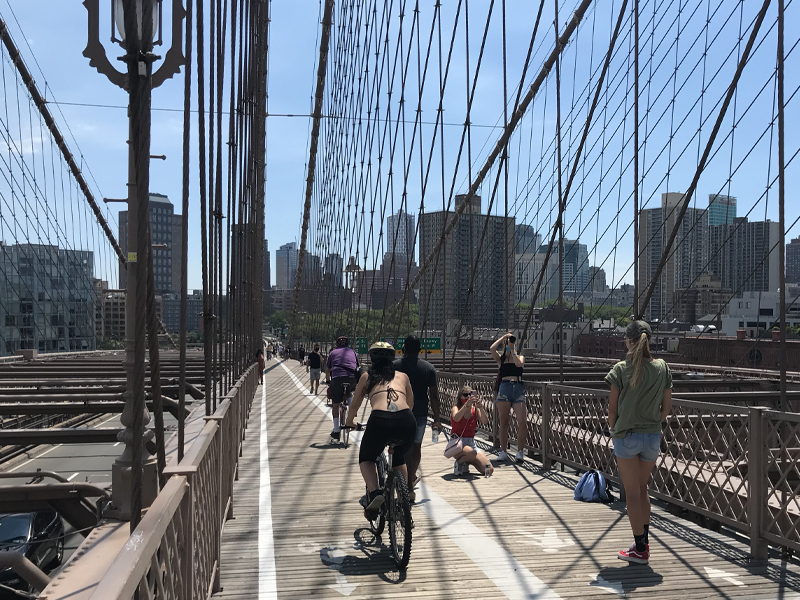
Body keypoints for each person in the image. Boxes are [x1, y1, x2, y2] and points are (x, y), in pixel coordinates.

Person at [606, 320, 672, 565]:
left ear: (629, 341)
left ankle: (640, 549)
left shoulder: (621, 369)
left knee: (632, 494)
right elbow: (666, 409)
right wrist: (653, 421)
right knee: (643, 490)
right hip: (653, 437)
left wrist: (614, 429)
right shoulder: (662, 367)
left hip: (627, 436)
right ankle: (641, 543)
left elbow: (612, 409)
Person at [346, 342, 416, 517]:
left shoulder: (367, 376)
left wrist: (349, 422)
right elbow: (411, 403)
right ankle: (403, 501)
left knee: (367, 458)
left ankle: (376, 493)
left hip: (380, 420)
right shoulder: (403, 376)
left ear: (372, 358)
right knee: (399, 458)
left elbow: (355, 405)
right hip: (406, 419)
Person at [394, 335, 441, 502]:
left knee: (403, 448)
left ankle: (406, 483)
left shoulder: (395, 366)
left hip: (400, 411)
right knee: (416, 447)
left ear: (404, 349)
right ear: (420, 350)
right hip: (421, 412)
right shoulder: (429, 368)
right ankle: (410, 481)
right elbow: (434, 396)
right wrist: (437, 419)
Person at [490, 332, 527, 462]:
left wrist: (513, 350)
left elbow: (518, 364)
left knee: (522, 422)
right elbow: (491, 349)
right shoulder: (501, 360)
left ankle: (520, 451)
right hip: (505, 387)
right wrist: (503, 338)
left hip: (518, 388)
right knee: (504, 422)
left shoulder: (520, 357)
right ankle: (503, 451)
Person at [450, 386, 494, 477]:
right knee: (471, 453)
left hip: (471, 443)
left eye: (470, 394)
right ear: (461, 397)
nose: (468, 397)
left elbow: (485, 421)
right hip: (458, 442)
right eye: (466, 395)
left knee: (488, 470)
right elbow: (456, 418)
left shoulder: (474, 409)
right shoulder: (456, 407)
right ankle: (459, 462)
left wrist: (481, 408)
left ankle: (467, 461)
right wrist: (466, 406)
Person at [325, 335, 359, 442]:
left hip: (337, 378)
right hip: (352, 378)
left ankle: (336, 431)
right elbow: (357, 367)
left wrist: (328, 382)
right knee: (349, 391)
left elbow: (327, 370)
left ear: (337, 344)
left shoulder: (333, 353)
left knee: (335, 405)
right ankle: (352, 406)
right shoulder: (353, 352)